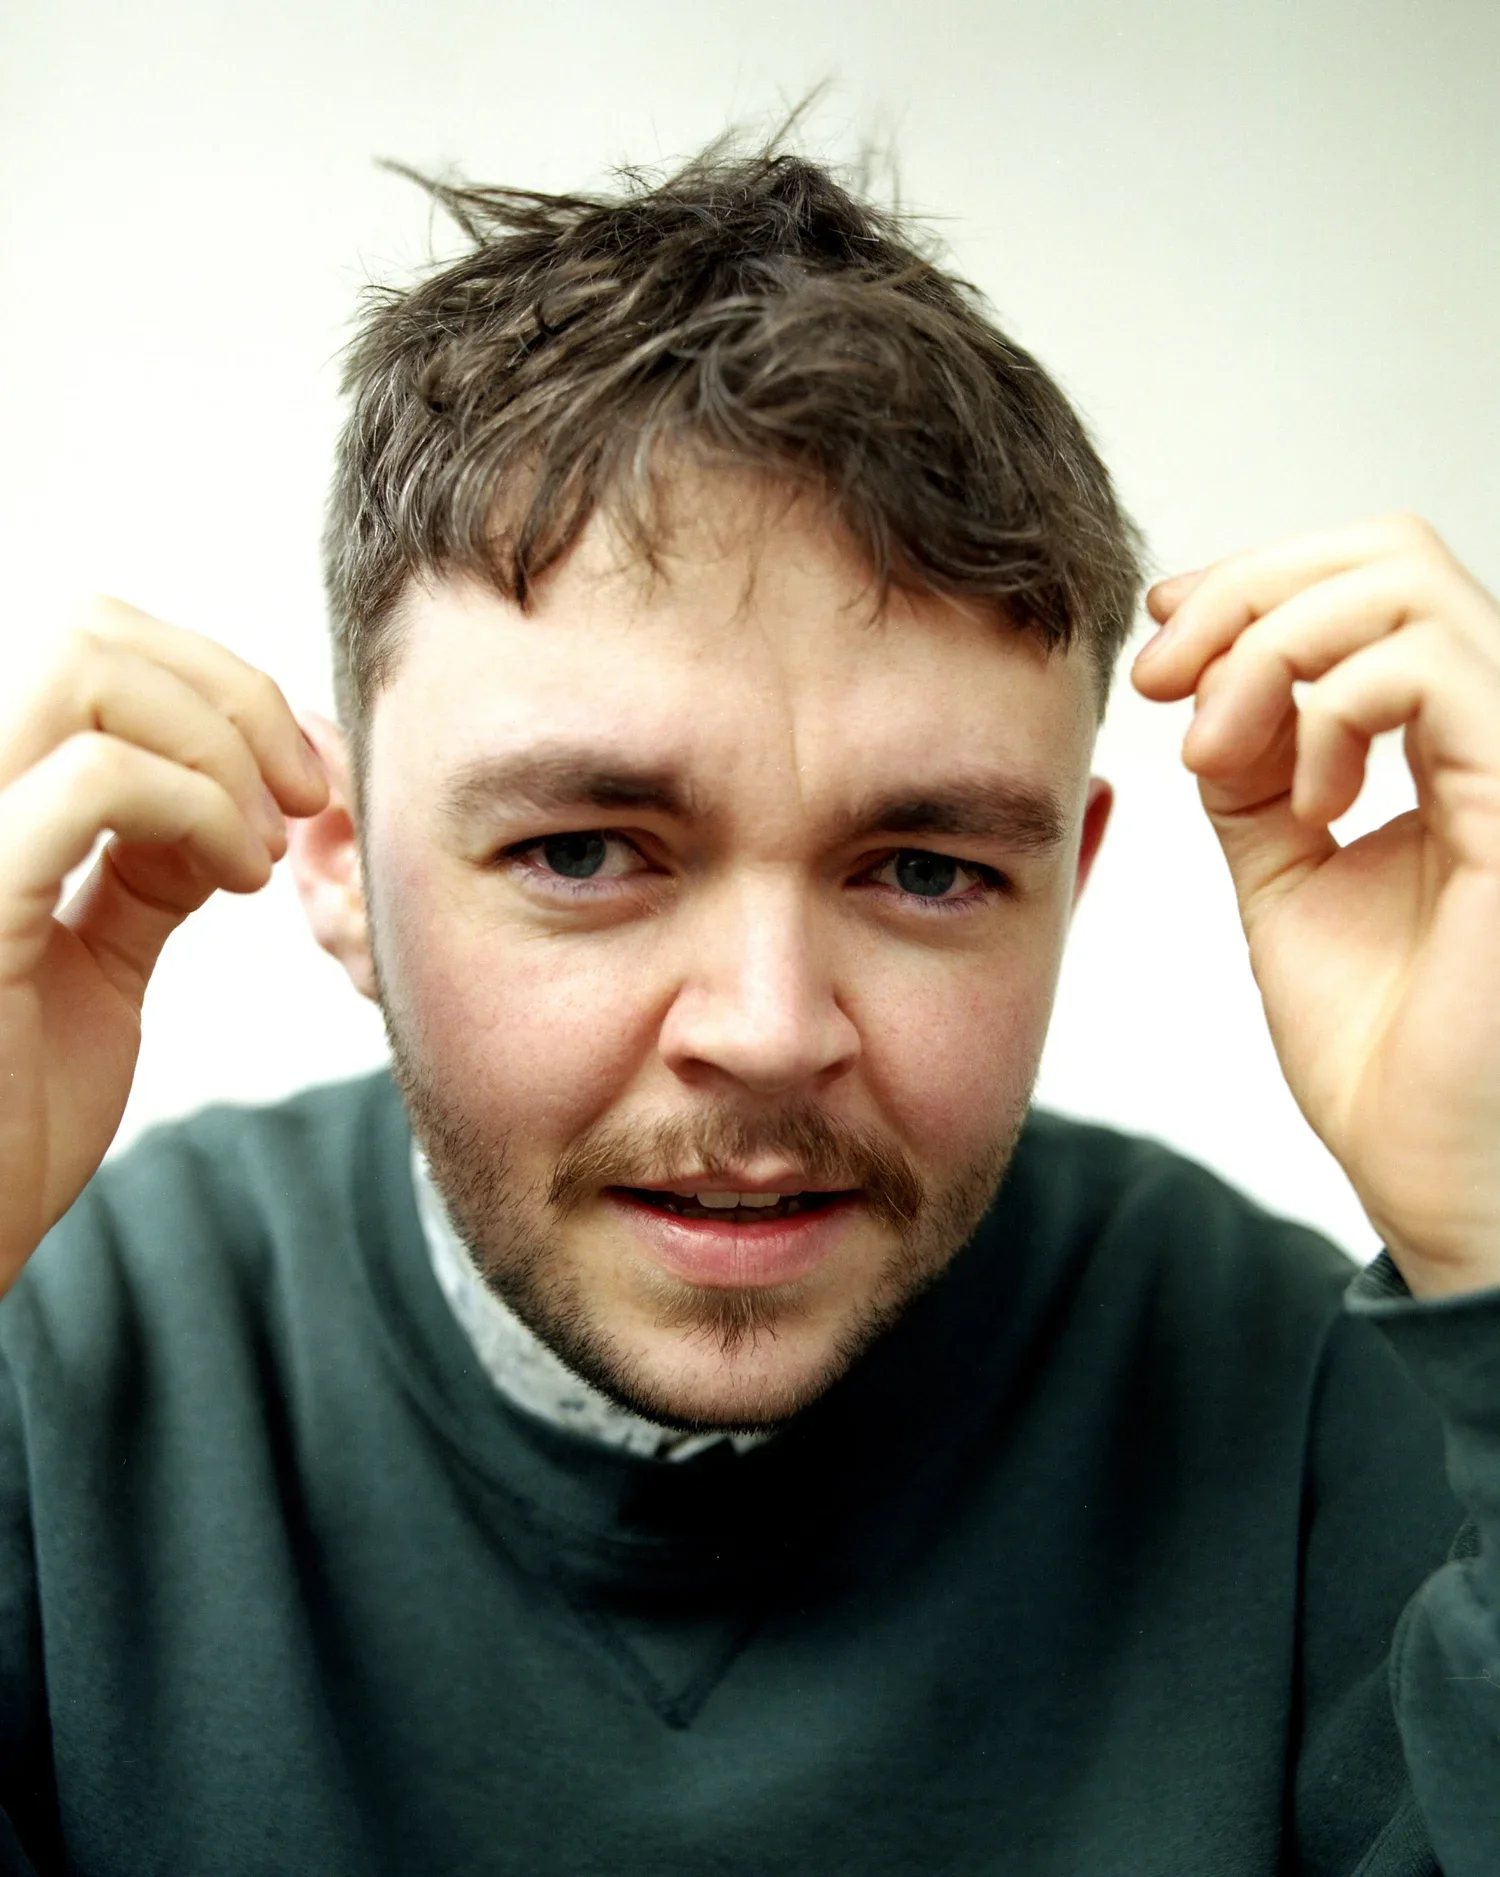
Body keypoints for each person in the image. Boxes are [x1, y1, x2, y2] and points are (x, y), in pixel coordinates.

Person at [0, 139, 1495, 1877]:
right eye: (585, 849)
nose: (772, 1029)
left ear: (1069, 886)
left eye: (925, 869)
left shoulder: (1321, 1408)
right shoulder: (57, 1363)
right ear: (337, 859)